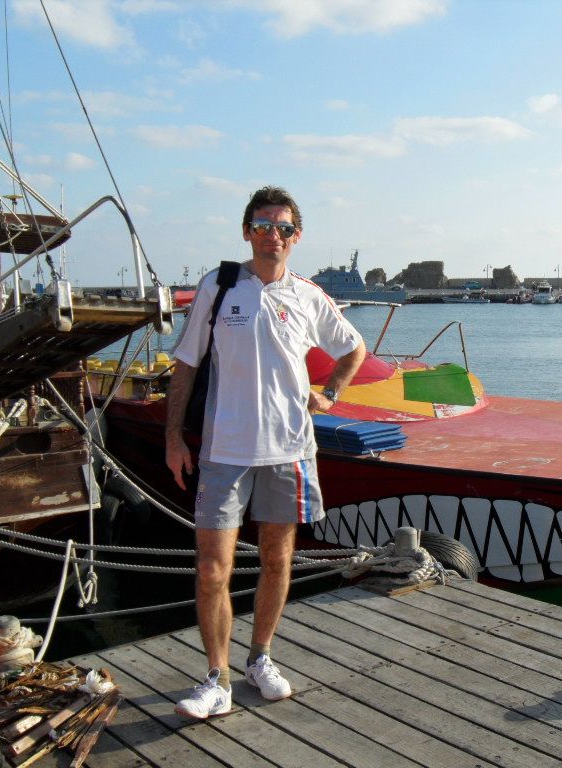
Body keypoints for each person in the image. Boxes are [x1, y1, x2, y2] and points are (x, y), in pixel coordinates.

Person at [166, 186, 366, 719]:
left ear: (296, 236)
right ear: (246, 232)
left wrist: (331, 393)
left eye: (282, 227)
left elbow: (353, 348)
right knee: (213, 569)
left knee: (278, 560)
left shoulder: (308, 295)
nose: (271, 235)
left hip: (289, 452)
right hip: (223, 451)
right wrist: (172, 438)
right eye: (261, 225)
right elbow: (186, 363)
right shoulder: (218, 286)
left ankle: (260, 659)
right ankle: (217, 679)